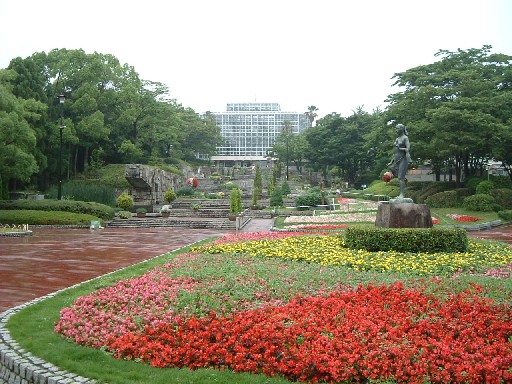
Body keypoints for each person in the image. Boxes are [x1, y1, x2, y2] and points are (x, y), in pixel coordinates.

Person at [387, 123, 411, 198]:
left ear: (401, 129)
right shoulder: (397, 139)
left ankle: (402, 194)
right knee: (399, 177)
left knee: (401, 177)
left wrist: (400, 148)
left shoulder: (405, 138)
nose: (396, 130)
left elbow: (408, 149)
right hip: (396, 159)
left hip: (403, 158)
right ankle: (401, 193)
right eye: (396, 128)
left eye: (397, 128)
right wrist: (391, 162)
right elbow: (395, 152)